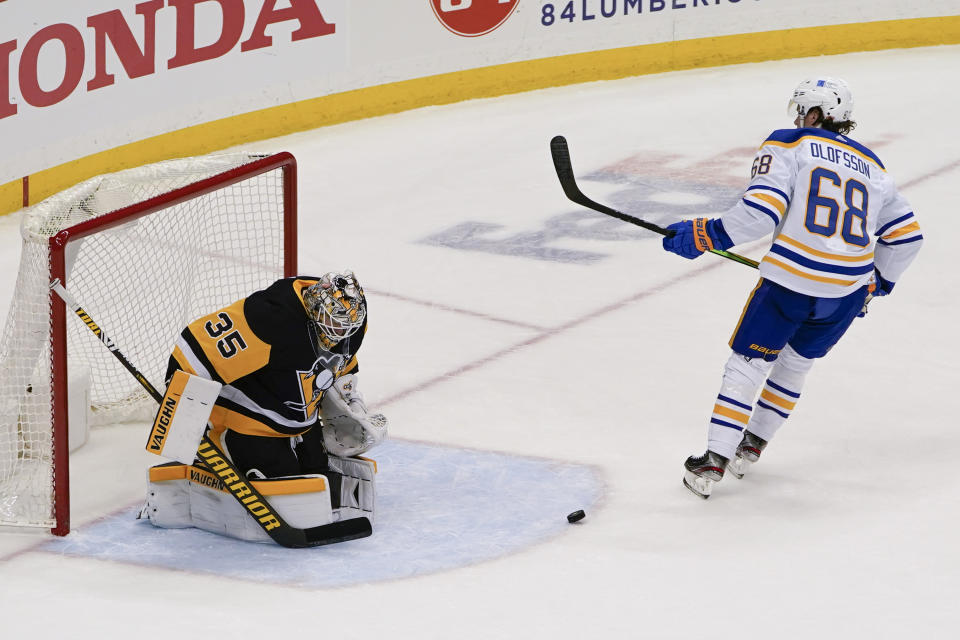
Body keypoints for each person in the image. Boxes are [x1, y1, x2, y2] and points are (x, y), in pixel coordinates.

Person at [661, 77, 922, 498]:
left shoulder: (789, 143)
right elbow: (907, 238)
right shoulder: (875, 168)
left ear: (816, 114)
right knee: (796, 364)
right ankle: (750, 448)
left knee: (748, 364)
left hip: (790, 284)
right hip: (847, 294)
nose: (799, 118)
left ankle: (712, 463)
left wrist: (706, 233)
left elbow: (761, 214)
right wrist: (877, 284)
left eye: (804, 111)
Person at [142, 270, 387, 542]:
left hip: (299, 423)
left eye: (347, 327)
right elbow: (193, 351)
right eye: (335, 324)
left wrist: (347, 406)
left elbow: (341, 367)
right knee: (285, 481)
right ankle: (225, 442)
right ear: (316, 309)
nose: (341, 333)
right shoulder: (272, 317)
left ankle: (286, 450)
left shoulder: (352, 327)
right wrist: (183, 419)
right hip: (250, 420)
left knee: (320, 478)